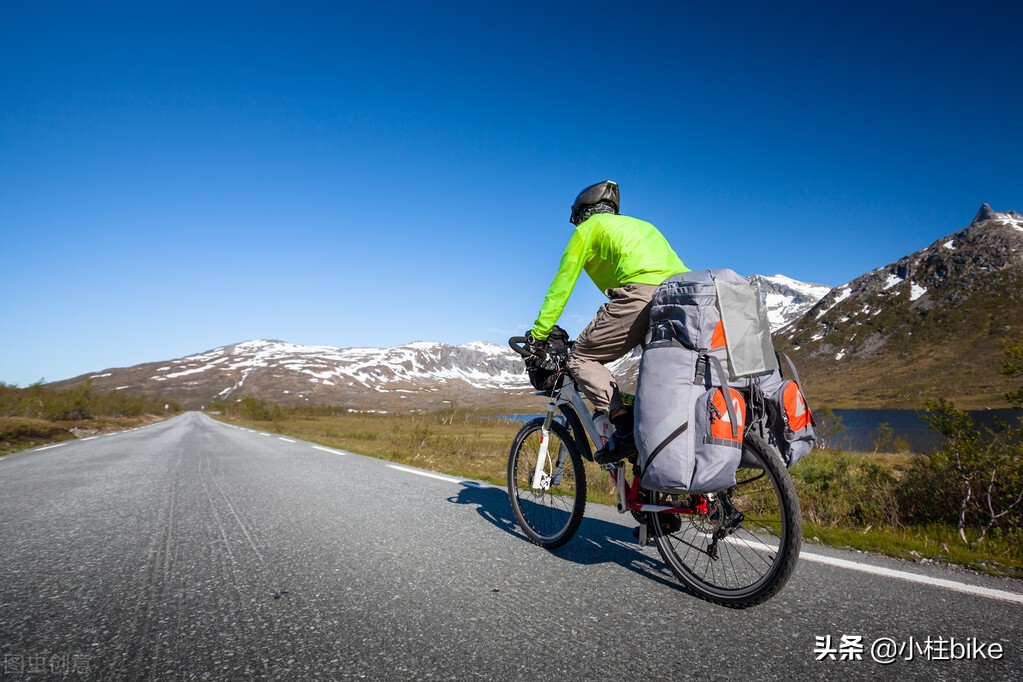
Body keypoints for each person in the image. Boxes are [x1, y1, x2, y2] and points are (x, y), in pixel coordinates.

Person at [527, 180, 690, 464]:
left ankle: (623, 428)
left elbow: (561, 286)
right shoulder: (643, 226)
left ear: (582, 214)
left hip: (641, 296)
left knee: (580, 359)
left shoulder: (587, 230)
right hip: (683, 299)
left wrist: (538, 335)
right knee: (659, 379)